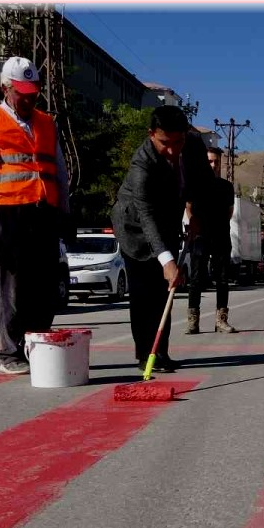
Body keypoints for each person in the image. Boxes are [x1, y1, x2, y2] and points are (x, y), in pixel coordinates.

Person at [0, 56, 72, 375]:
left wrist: (65, 213)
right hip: (8, 214)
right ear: (5, 88)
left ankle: (37, 348)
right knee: (14, 285)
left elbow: (60, 172)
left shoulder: (45, 122)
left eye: (33, 92)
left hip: (44, 213)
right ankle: (11, 353)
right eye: (22, 92)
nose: (28, 98)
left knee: (45, 286)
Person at [112, 105, 214, 374]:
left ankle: (161, 352)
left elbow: (204, 183)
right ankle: (145, 353)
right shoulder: (142, 163)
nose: (172, 150)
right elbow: (145, 214)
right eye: (164, 143)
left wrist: (196, 215)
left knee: (163, 292)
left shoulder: (192, 144)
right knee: (143, 292)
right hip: (134, 227)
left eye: (177, 141)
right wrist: (167, 261)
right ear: (151, 135)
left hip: (168, 221)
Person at [185, 146, 238, 334]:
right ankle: (193, 320)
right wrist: (194, 224)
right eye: (210, 161)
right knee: (196, 279)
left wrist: (218, 224)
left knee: (222, 279)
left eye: (216, 161)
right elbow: (189, 208)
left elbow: (230, 212)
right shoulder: (195, 184)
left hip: (221, 236)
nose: (213, 165)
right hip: (200, 237)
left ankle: (221, 320)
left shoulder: (226, 187)